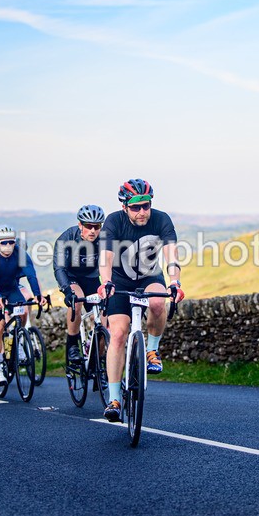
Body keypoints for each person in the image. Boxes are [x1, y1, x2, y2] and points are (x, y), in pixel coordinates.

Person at [97, 179, 185, 422]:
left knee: (158, 302)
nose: (142, 212)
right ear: (125, 207)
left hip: (149, 277)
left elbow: (171, 255)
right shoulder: (114, 221)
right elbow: (105, 258)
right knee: (117, 334)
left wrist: (175, 281)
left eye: (145, 206)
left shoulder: (161, 219)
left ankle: (152, 350)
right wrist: (105, 282)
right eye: (135, 207)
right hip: (119, 282)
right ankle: (114, 399)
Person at [0, 225, 47, 386]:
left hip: (11, 289)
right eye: (4, 243)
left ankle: (19, 338)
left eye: (11, 242)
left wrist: (38, 295)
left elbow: (31, 275)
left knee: (23, 312)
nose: (8, 246)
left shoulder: (20, 254)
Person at [53, 204, 106, 364]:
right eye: (88, 226)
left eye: (96, 227)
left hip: (91, 278)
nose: (93, 231)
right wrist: (67, 290)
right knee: (77, 301)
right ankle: (72, 345)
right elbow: (59, 267)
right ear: (80, 225)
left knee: (106, 320)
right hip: (71, 277)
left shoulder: (104, 239)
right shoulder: (66, 238)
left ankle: (99, 362)